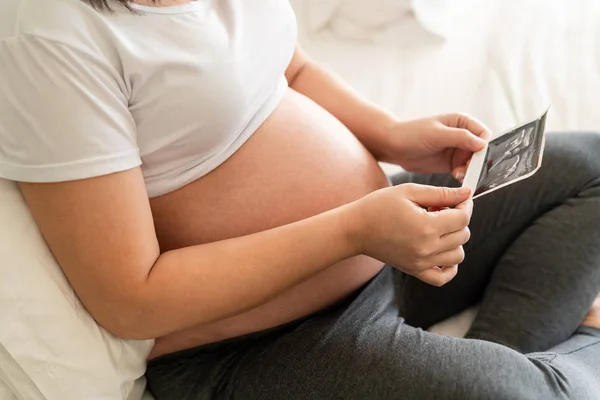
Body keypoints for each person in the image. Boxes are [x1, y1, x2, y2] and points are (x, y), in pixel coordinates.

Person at [1, 0, 599, 399]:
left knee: (592, 168)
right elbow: (130, 298)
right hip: (264, 341)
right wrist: (353, 232)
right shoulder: (46, 36)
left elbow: (286, 63)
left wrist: (389, 134)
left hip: (386, 241)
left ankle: (489, 361)